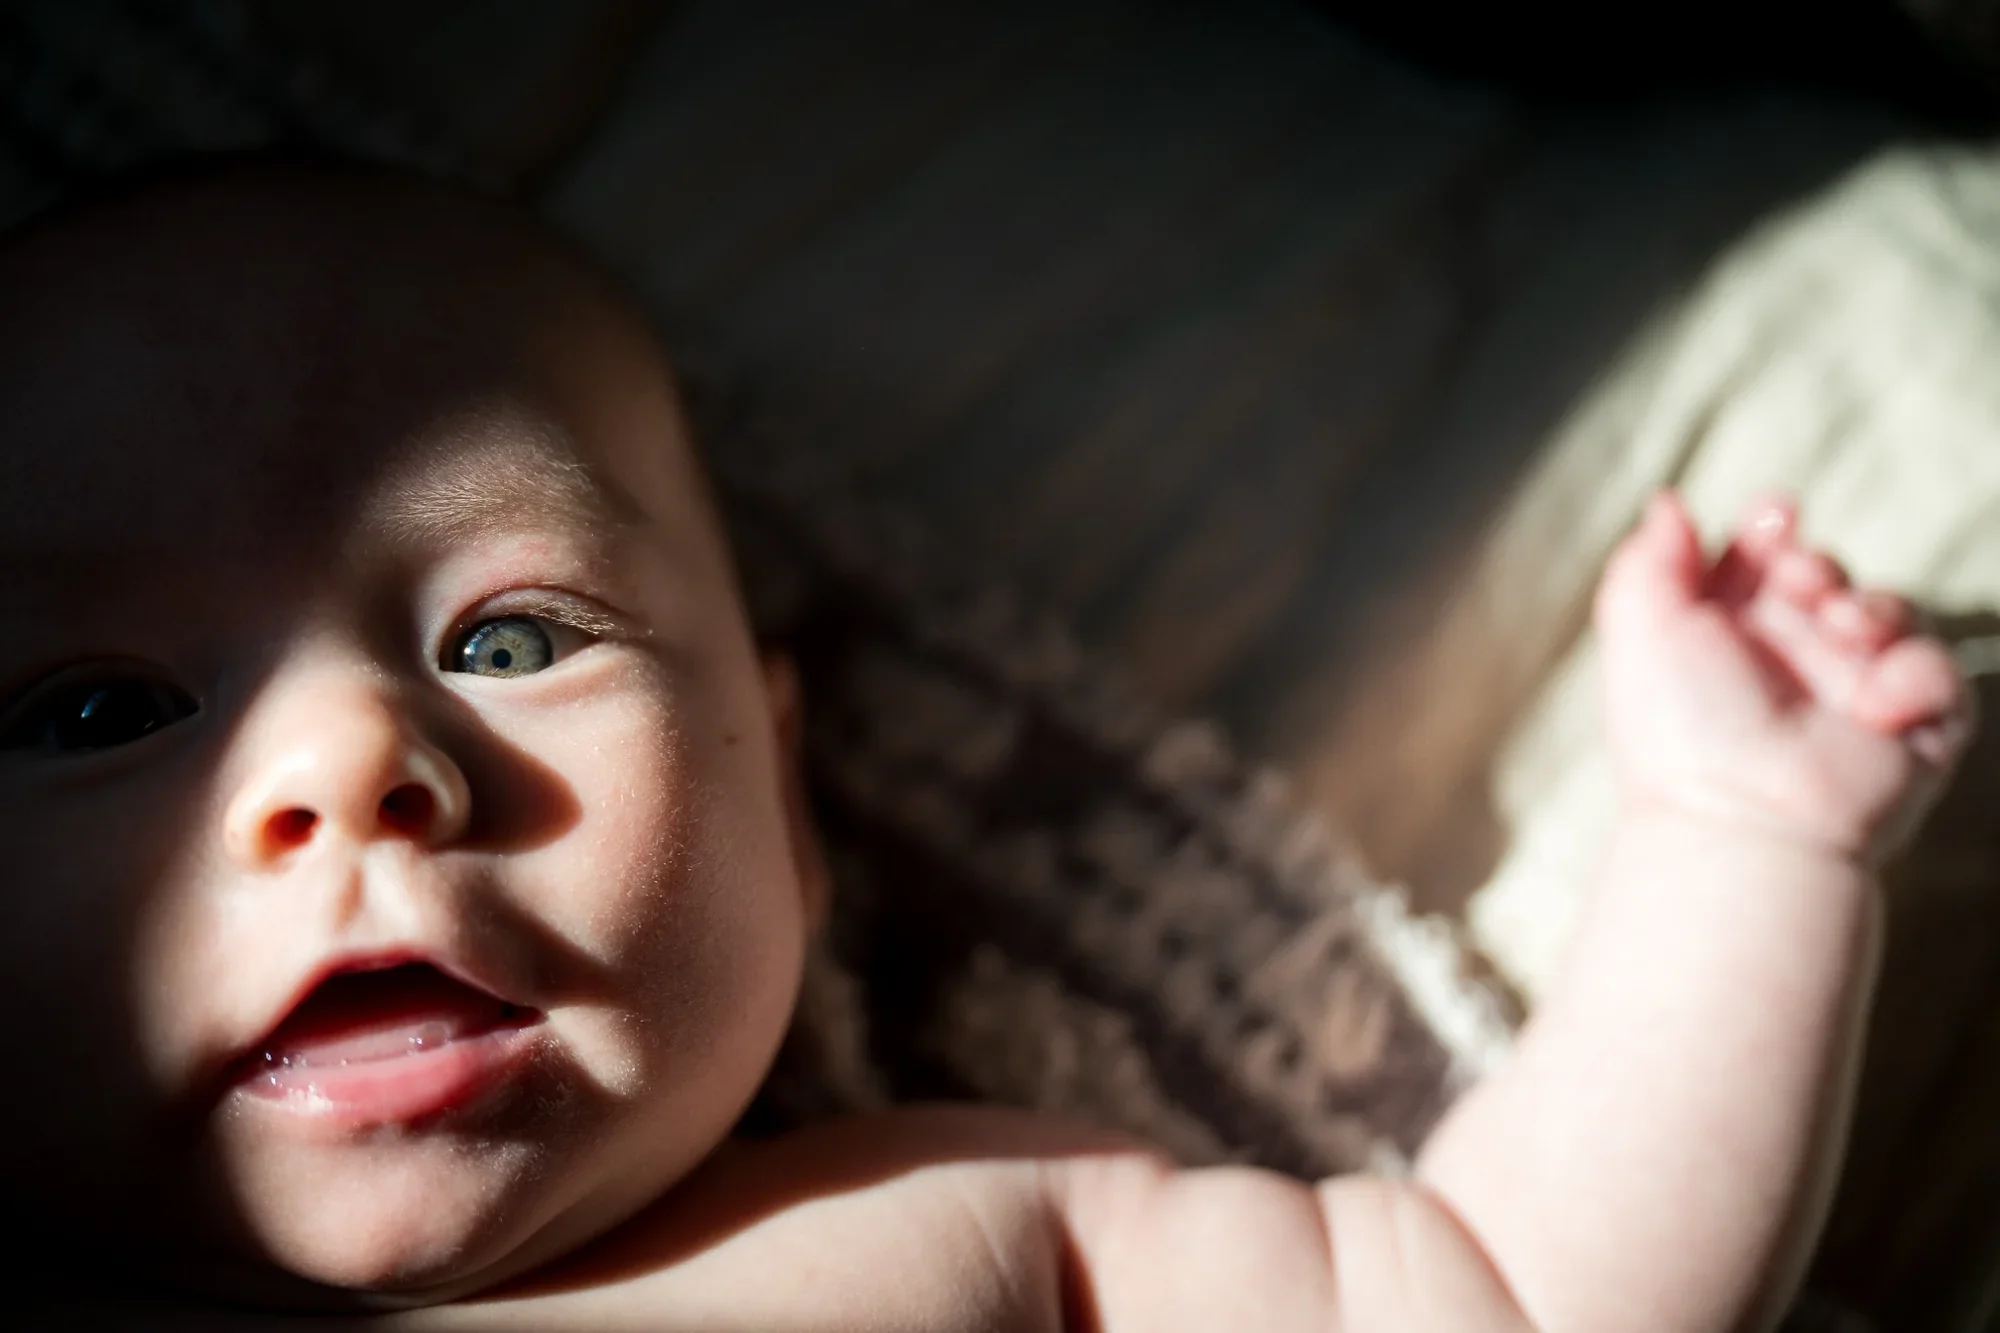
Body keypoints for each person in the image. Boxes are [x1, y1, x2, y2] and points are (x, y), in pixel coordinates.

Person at [0, 158, 1970, 1331]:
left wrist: (1737, 845)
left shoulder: (935, 1236)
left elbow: (1506, 1295)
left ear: (787, 796)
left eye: (508, 634)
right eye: (97, 711)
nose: (353, 757)